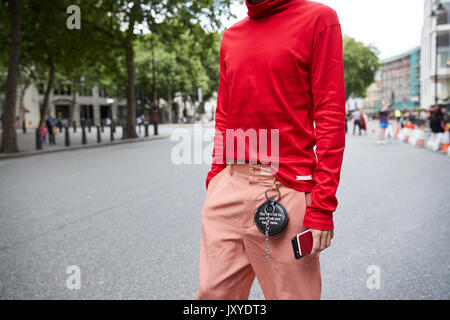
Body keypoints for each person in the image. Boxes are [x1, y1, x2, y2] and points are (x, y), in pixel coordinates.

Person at [197, 0, 345, 300]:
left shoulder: (319, 19)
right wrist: (216, 176)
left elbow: (330, 115)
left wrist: (322, 206)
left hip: (287, 189)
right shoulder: (232, 36)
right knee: (212, 297)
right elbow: (224, 113)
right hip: (229, 186)